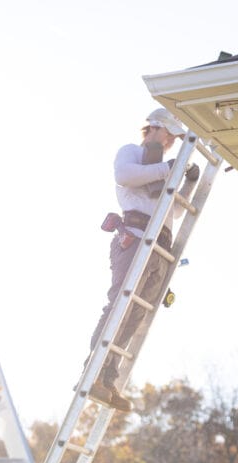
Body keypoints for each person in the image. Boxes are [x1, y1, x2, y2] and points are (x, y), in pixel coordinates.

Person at [86, 107, 199, 413]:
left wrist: (186, 181)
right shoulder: (133, 153)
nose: (171, 143)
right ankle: (92, 371)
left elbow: (174, 212)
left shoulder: (159, 168)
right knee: (120, 304)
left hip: (159, 246)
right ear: (155, 128)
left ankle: (108, 379)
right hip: (136, 237)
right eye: (170, 136)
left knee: (136, 314)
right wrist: (168, 169)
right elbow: (125, 176)